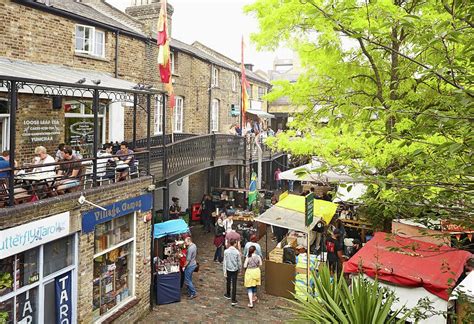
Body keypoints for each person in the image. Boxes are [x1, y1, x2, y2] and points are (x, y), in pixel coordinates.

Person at [223, 239, 242, 306]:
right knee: (234, 284)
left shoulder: (226, 251)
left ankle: (228, 294)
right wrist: (240, 269)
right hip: (234, 269)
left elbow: (224, 262)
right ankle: (233, 299)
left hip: (228, 268)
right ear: (234, 243)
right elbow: (239, 262)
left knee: (228, 281)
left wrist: (224, 271)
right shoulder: (237, 252)